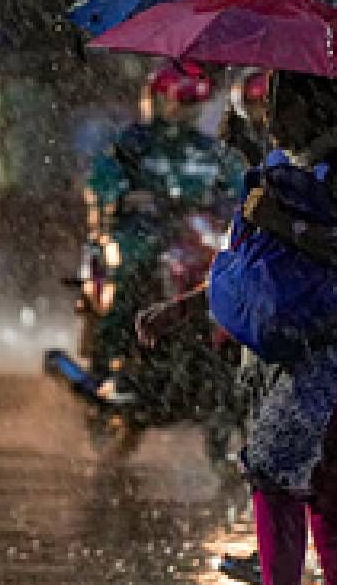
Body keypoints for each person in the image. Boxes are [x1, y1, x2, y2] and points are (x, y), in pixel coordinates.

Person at [136, 72, 337, 585]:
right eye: (268, 103)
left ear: (318, 107)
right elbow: (249, 264)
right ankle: (326, 563)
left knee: (297, 476)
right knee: (324, 480)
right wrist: (184, 308)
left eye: (283, 104)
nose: (271, 115)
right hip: (282, 351)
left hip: (336, 350)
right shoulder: (277, 168)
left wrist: (281, 220)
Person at [84, 61, 245, 398]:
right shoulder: (130, 145)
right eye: (176, 102)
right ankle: (115, 360)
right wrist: (121, 198)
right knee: (132, 273)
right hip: (138, 233)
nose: (182, 112)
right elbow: (102, 179)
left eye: (190, 105)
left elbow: (236, 186)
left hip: (194, 234)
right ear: (155, 101)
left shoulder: (209, 150)